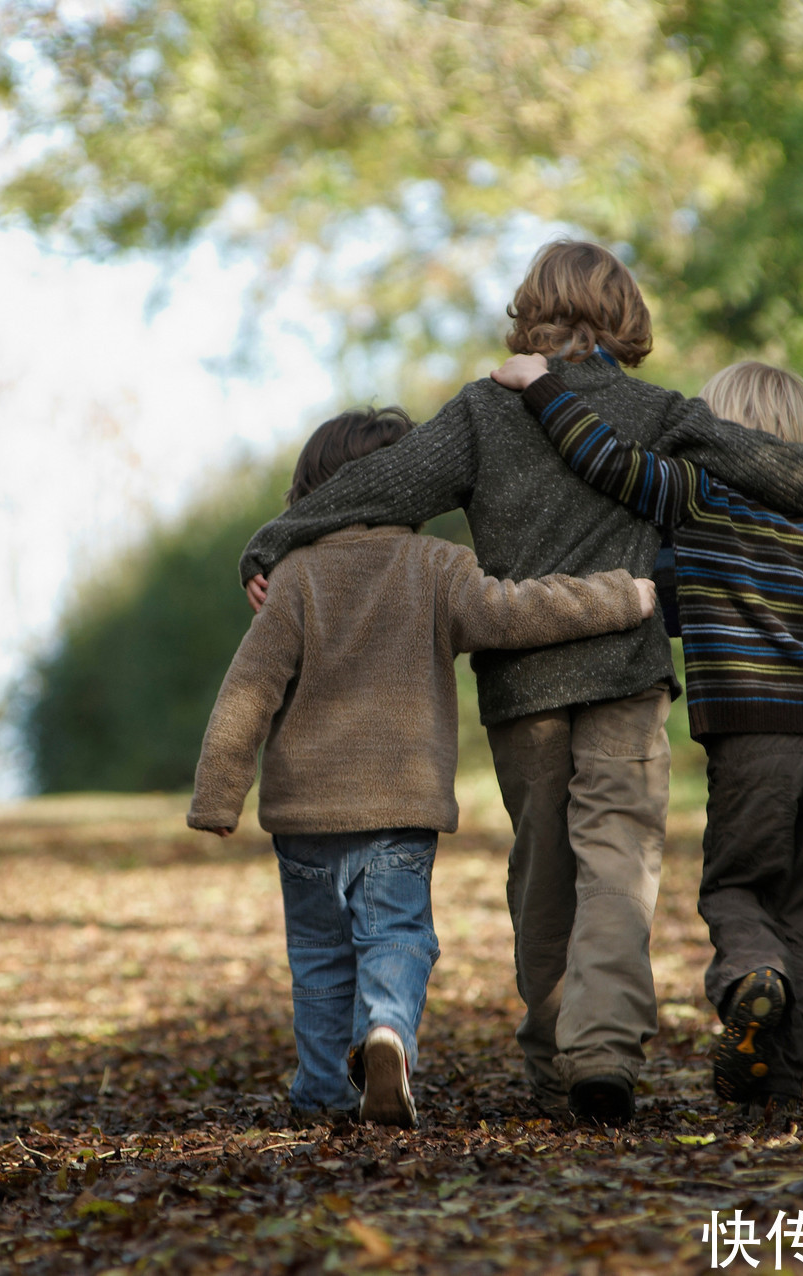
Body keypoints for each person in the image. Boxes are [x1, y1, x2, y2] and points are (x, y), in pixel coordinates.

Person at [238, 240, 803, 1126]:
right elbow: (781, 469)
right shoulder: (656, 411)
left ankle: (553, 1064)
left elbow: (379, 486)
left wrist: (272, 540)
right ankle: (604, 1054)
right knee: (620, 868)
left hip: (524, 692)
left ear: (530, 311)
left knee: (544, 876)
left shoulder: (479, 414)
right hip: (626, 678)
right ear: (624, 316)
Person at [491, 352, 803, 1124]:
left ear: (714, 428)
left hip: (753, 742)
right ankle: (780, 1080)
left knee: (738, 889)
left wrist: (544, 388)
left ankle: (753, 977)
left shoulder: (698, 494)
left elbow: (608, 462)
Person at [188, 405, 657, 1128]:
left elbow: (247, 690)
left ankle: (322, 1090)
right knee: (398, 936)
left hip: (304, 818)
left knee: (317, 958)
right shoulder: (436, 567)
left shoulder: (296, 578)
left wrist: (218, 796)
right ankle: (387, 1034)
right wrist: (620, 597)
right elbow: (515, 613)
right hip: (399, 808)